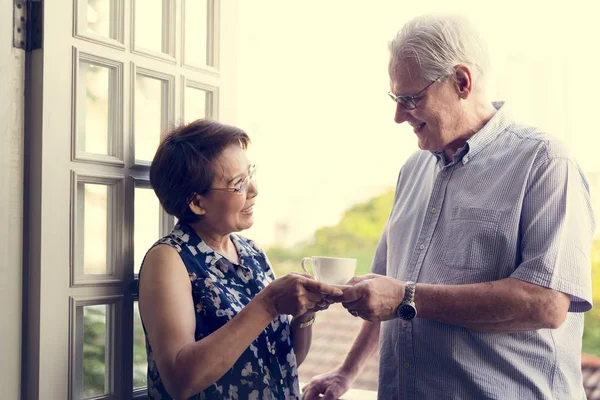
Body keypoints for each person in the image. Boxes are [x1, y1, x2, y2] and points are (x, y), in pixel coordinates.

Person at [302, 12, 596, 400]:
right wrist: (346, 372)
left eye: (411, 98)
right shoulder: (412, 170)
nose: (397, 116)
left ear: (461, 81)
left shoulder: (544, 162)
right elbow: (386, 289)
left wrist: (407, 298)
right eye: (395, 98)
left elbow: (546, 304)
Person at [139, 119, 343, 400]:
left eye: (250, 175)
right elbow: (180, 380)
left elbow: (284, 360)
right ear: (197, 202)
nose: (254, 189)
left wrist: (306, 313)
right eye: (238, 183)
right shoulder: (169, 259)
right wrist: (268, 304)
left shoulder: (251, 251)